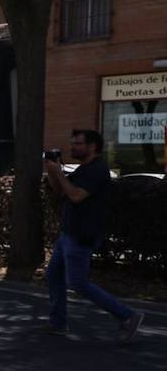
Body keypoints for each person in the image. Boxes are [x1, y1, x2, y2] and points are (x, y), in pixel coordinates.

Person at [43, 128, 144, 341]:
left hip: (82, 235)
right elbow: (60, 191)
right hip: (68, 234)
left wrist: (59, 173)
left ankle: (128, 316)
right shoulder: (83, 169)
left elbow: (76, 195)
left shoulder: (97, 170)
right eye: (72, 144)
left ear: (92, 147)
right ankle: (58, 322)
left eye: (77, 144)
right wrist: (52, 171)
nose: (72, 147)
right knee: (53, 276)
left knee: (78, 283)